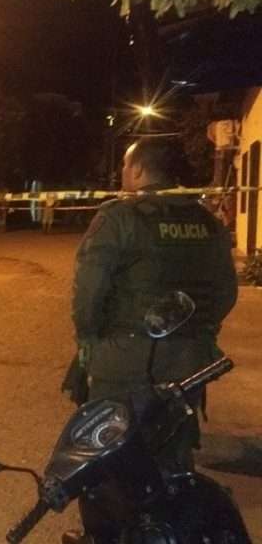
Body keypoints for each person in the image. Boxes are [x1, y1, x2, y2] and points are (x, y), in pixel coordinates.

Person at [66, 138, 238, 473]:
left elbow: (88, 291)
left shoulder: (119, 217)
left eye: (125, 165)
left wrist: (87, 339)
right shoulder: (207, 221)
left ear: (139, 169)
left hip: (124, 359)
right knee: (173, 454)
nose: (122, 172)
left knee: (109, 453)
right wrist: (198, 331)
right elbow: (226, 293)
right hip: (189, 361)